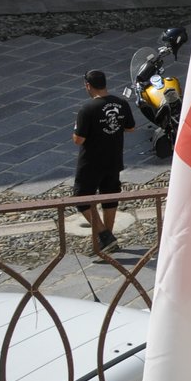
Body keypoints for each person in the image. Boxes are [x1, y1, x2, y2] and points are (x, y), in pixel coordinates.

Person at [73, 69, 135, 254]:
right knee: (109, 196)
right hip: (114, 158)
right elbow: (131, 128)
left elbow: (79, 139)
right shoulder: (121, 103)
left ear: (88, 86)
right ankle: (107, 240)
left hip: (91, 161)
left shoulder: (87, 109)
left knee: (82, 198)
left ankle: (104, 235)